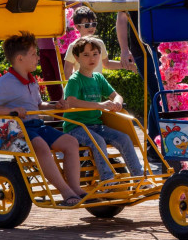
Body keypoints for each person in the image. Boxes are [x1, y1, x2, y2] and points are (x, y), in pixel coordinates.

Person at [0, 32, 86, 205]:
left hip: (36, 125)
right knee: (40, 146)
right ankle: (66, 192)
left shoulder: (31, 80)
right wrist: (11, 111)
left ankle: (76, 188)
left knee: (71, 142)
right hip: (18, 129)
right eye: (33, 54)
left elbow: (37, 105)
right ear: (20, 58)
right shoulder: (5, 82)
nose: (37, 57)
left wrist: (55, 106)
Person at [116, 0, 172, 169]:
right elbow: (121, 19)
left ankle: (156, 144)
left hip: (166, 48)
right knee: (157, 92)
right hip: (141, 48)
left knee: (162, 95)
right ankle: (154, 146)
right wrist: (124, 49)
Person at [62, 36, 144, 184]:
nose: (91, 58)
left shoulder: (98, 78)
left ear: (100, 55)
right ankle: (107, 179)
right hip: (76, 127)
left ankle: (139, 177)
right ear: (77, 58)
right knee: (97, 141)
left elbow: (116, 95)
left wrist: (117, 103)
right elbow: (71, 101)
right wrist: (99, 105)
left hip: (96, 125)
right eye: (86, 55)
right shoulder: (75, 79)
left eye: (95, 54)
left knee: (124, 138)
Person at [37, 0, 66, 101]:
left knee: (64, 88)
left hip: (62, 47)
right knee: (52, 89)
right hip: (43, 45)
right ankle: (57, 115)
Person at [62, 6, 122, 78]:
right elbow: (67, 71)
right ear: (78, 27)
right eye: (87, 25)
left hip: (98, 84)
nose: (91, 27)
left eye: (93, 24)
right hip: (81, 84)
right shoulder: (73, 46)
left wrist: (126, 65)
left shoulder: (99, 43)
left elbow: (106, 64)